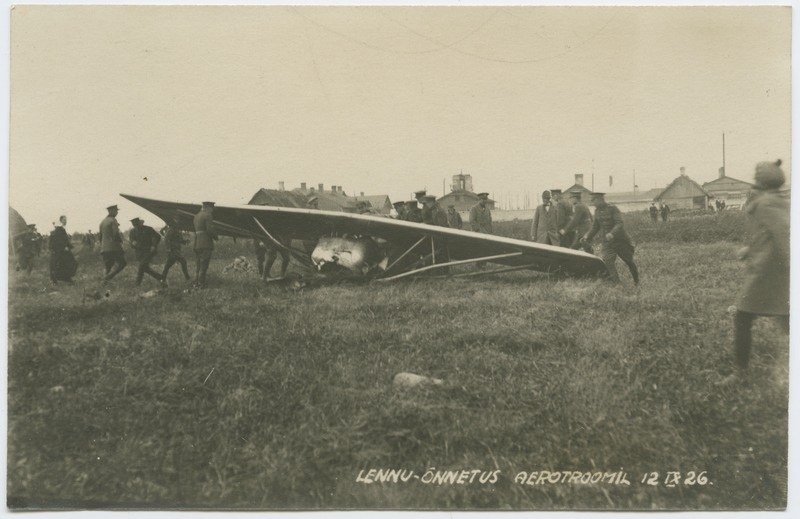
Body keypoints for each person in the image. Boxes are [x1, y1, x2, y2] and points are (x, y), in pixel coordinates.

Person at [722, 160, 789, 384]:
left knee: (742, 317)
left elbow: (784, 237)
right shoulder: (771, 200)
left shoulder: (768, 203)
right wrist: (749, 249)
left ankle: (740, 373)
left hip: (770, 273)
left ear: (763, 180)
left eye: (756, 175)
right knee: (787, 322)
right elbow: (766, 233)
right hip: (770, 271)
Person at [581, 192, 639, 285]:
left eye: (594, 200)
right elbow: (595, 226)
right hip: (608, 242)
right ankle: (617, 284)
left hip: (620, 240)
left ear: (600, 199)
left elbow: (619, 223)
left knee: (629, 261)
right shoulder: (597, 211)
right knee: (608, 262)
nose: (593, 203)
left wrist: (612, 233)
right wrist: (587, 235)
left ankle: (637, 281)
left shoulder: (613, 209)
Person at [129, 217, 165, 286]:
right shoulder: (132, 231)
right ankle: (161, 277)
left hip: (149, 251)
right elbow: (131, 241)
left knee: (141, 266)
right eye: (133, 224)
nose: (135, 225)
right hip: (139, 253)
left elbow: (157, 237)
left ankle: (137, 284)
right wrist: (133, 243)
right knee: (145, 268)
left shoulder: (148, 229)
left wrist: (154, 246)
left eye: (136, 223)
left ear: (140, 223)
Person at [193, 201, 219, 288]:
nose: (212, 211)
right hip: (205, 243)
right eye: (211, 209)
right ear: (208, 208)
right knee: (204, 265)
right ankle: (201, 284)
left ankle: (196, 283)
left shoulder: (196, 216)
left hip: (197, 243)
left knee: (198, 265)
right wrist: (216, 237)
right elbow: (209, 229)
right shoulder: (208, 215)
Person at [99, 204, 127, 282]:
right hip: (114, 247)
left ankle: (104, 282)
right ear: (111, 211)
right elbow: (115, 234)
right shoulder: (113, 220)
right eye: (115, 211)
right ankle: (109, 277)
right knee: (123, 263)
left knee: (108, 266)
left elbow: (100, 237)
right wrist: (120, 242)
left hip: (104, 248)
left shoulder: (102, 222)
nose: (117, 212)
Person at [48, 215, 77, 284]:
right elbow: (59, 240)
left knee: (64, 264)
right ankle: (64, 279)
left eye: (66, 220)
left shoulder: (61, 229)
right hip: (60, 251)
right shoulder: (59, 229)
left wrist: (70, 246)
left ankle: (66, 279)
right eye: (64, 220)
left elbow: (64, 240)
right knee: (65, 264)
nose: (65, 221)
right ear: (60, 221)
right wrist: (64, 247)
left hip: (62, 250)